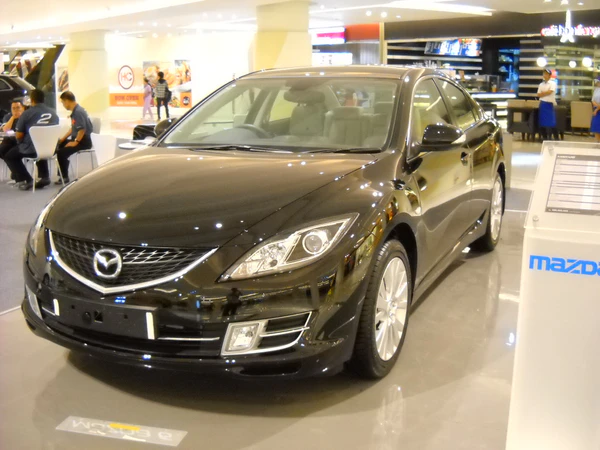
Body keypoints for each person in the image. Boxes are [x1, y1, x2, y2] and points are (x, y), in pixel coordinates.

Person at [4, 89, 58, 190]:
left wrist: (20, 141)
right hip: (51, 148)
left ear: (32, 100)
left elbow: (19, 135)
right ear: (44, 99)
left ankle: (28, 180)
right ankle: (44, 177)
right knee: (39, 145)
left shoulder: (27, 114)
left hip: (32, 148)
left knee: (10, 156)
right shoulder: (53, 113)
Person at [54, 91, 93, 184]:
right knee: (59, 145)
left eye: (63, 102)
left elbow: (82, 130)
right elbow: (73, 128)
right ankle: (62, 173)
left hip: (83, 141)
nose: (63, 105)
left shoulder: (78, 112)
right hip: (79, 138)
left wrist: (75, 142)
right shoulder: (77, 110)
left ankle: (64, 177)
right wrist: (62, 139)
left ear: (67, 101)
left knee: (61, 152)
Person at [0, 100, 25, 184]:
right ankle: (15, 171)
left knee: (10, 155)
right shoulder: (8, 116)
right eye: (13, 108)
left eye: (18, 107)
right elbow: (5, 129)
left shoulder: (25, 116)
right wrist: (13, 118)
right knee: (2, 150)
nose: (16, 110)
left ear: (22, 108)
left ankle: (18, 175)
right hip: (10, 140)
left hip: (21, 141)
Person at [537, 68, 559, 141]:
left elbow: (550, 92)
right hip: (542, 104)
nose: (545, 75)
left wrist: (543, 93)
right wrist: (544, 93)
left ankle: (556, 138)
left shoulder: (553, 83)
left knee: (552, 122)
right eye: (544, 74)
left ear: (549, 75)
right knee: (542, 122)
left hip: (549, 104)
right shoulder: (541, 84)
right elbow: (538, 94)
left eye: (546, 74)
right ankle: (545, 138)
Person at [591, 76, 600, 144]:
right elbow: (593, 100)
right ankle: (598, 141)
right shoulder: (596, 90)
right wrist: (596, 107)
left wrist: (597, 109)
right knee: (596, 126)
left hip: (597, 110)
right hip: (596, 109)